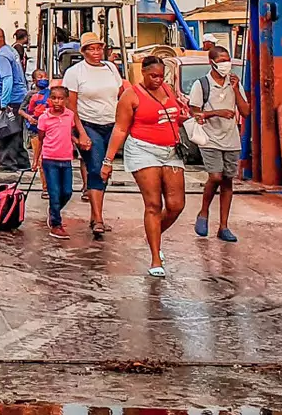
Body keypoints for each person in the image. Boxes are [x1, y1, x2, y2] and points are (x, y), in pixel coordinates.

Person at [104, 55, 188, 277]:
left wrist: (185, 117)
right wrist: (108, 161)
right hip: (143, 150)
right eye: (153, 76)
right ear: (143, 73)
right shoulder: (131, 96)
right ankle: (155, 256)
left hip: (170, 150)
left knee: (176, 205)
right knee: (153, 204)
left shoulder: (168, 90)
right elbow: (121, 129)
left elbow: (172, 116)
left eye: (161, 76)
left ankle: (153, 234)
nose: (158, 80)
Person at [62, 33, 124, 236]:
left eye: (98, 48)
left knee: (106, 170)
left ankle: (94, 213)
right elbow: (71, 105)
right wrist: (80, 133)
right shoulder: (75, 72)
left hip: (111, 125)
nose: (96, 53)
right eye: (91, 49)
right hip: (88, 124)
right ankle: (98, 218)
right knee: (96, 168)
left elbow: (122, 92)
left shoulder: (111, 68)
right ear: (83, 52)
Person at [190, 46, 250, 242]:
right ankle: (204, 212)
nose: (226, 64)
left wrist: (235, 89)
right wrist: (216, 113)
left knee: (227, 180)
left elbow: (246, 111)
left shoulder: (234, 84)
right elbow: (194, 112)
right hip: (210, 138)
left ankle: (223, 226)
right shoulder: (202, 85)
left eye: (227, 59)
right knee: (215, 176)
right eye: (222, 60)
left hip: (231, 139)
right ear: (212, 62)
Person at [37, 85, 91, 238]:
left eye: (61, 99)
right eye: (54, 98)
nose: (57, 102)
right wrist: (36, 160)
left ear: (66, 101)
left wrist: (78, 141)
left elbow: (69, 133)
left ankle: (54, 211)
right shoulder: (44, 118)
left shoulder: (70, 116)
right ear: (49, 100)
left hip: (66, 159)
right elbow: (40, 139)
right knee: (54, 193)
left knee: (67, 192)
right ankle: (56, 224)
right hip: (49, 159)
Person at [0, 27, 30, 174]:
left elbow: (8, 79)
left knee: (7, 130)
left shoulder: (1, 56)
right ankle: (22, 161)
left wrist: (4, 103)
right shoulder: (11, 51)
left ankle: (8, 163)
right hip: (21, 96)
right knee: (17, 131)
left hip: (12, 99)